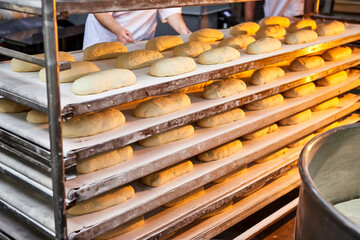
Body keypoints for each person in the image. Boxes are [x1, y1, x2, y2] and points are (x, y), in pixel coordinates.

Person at [83, 8, 191, 49]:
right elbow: (100, 11)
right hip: (104, 41)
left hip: (140, 43)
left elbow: (170, 10)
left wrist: (184, 31)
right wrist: (118, 30)